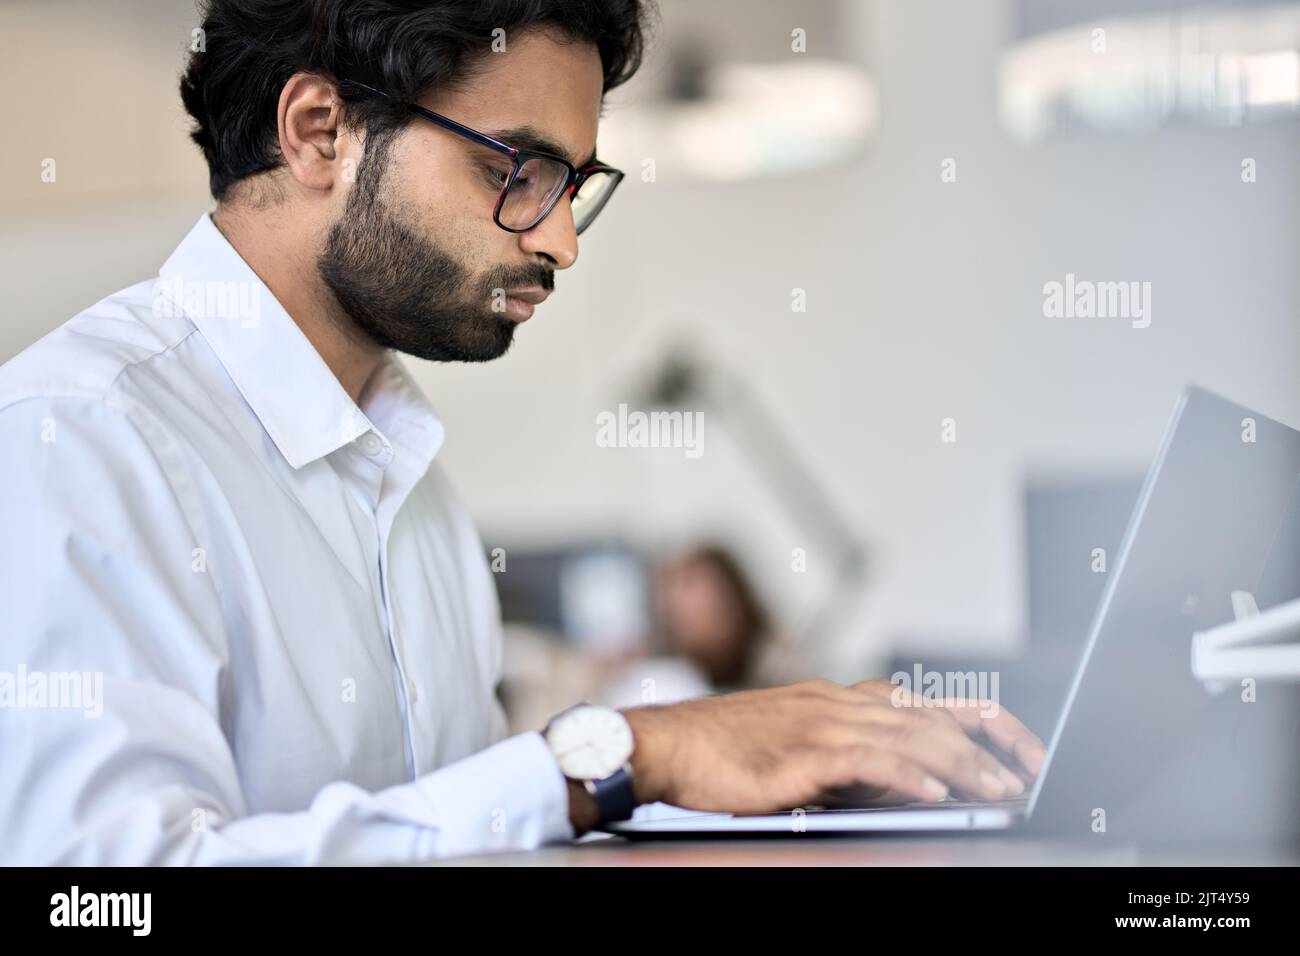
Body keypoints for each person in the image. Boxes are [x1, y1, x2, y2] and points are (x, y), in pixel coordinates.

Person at [0, 0, 1044, 864]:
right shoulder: (78, 441)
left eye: (571, 188)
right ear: (318, 130)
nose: (556, 240)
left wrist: (739, 788)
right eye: (517, 169)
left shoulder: (411, 483)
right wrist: (616, 753)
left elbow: (454, 833)